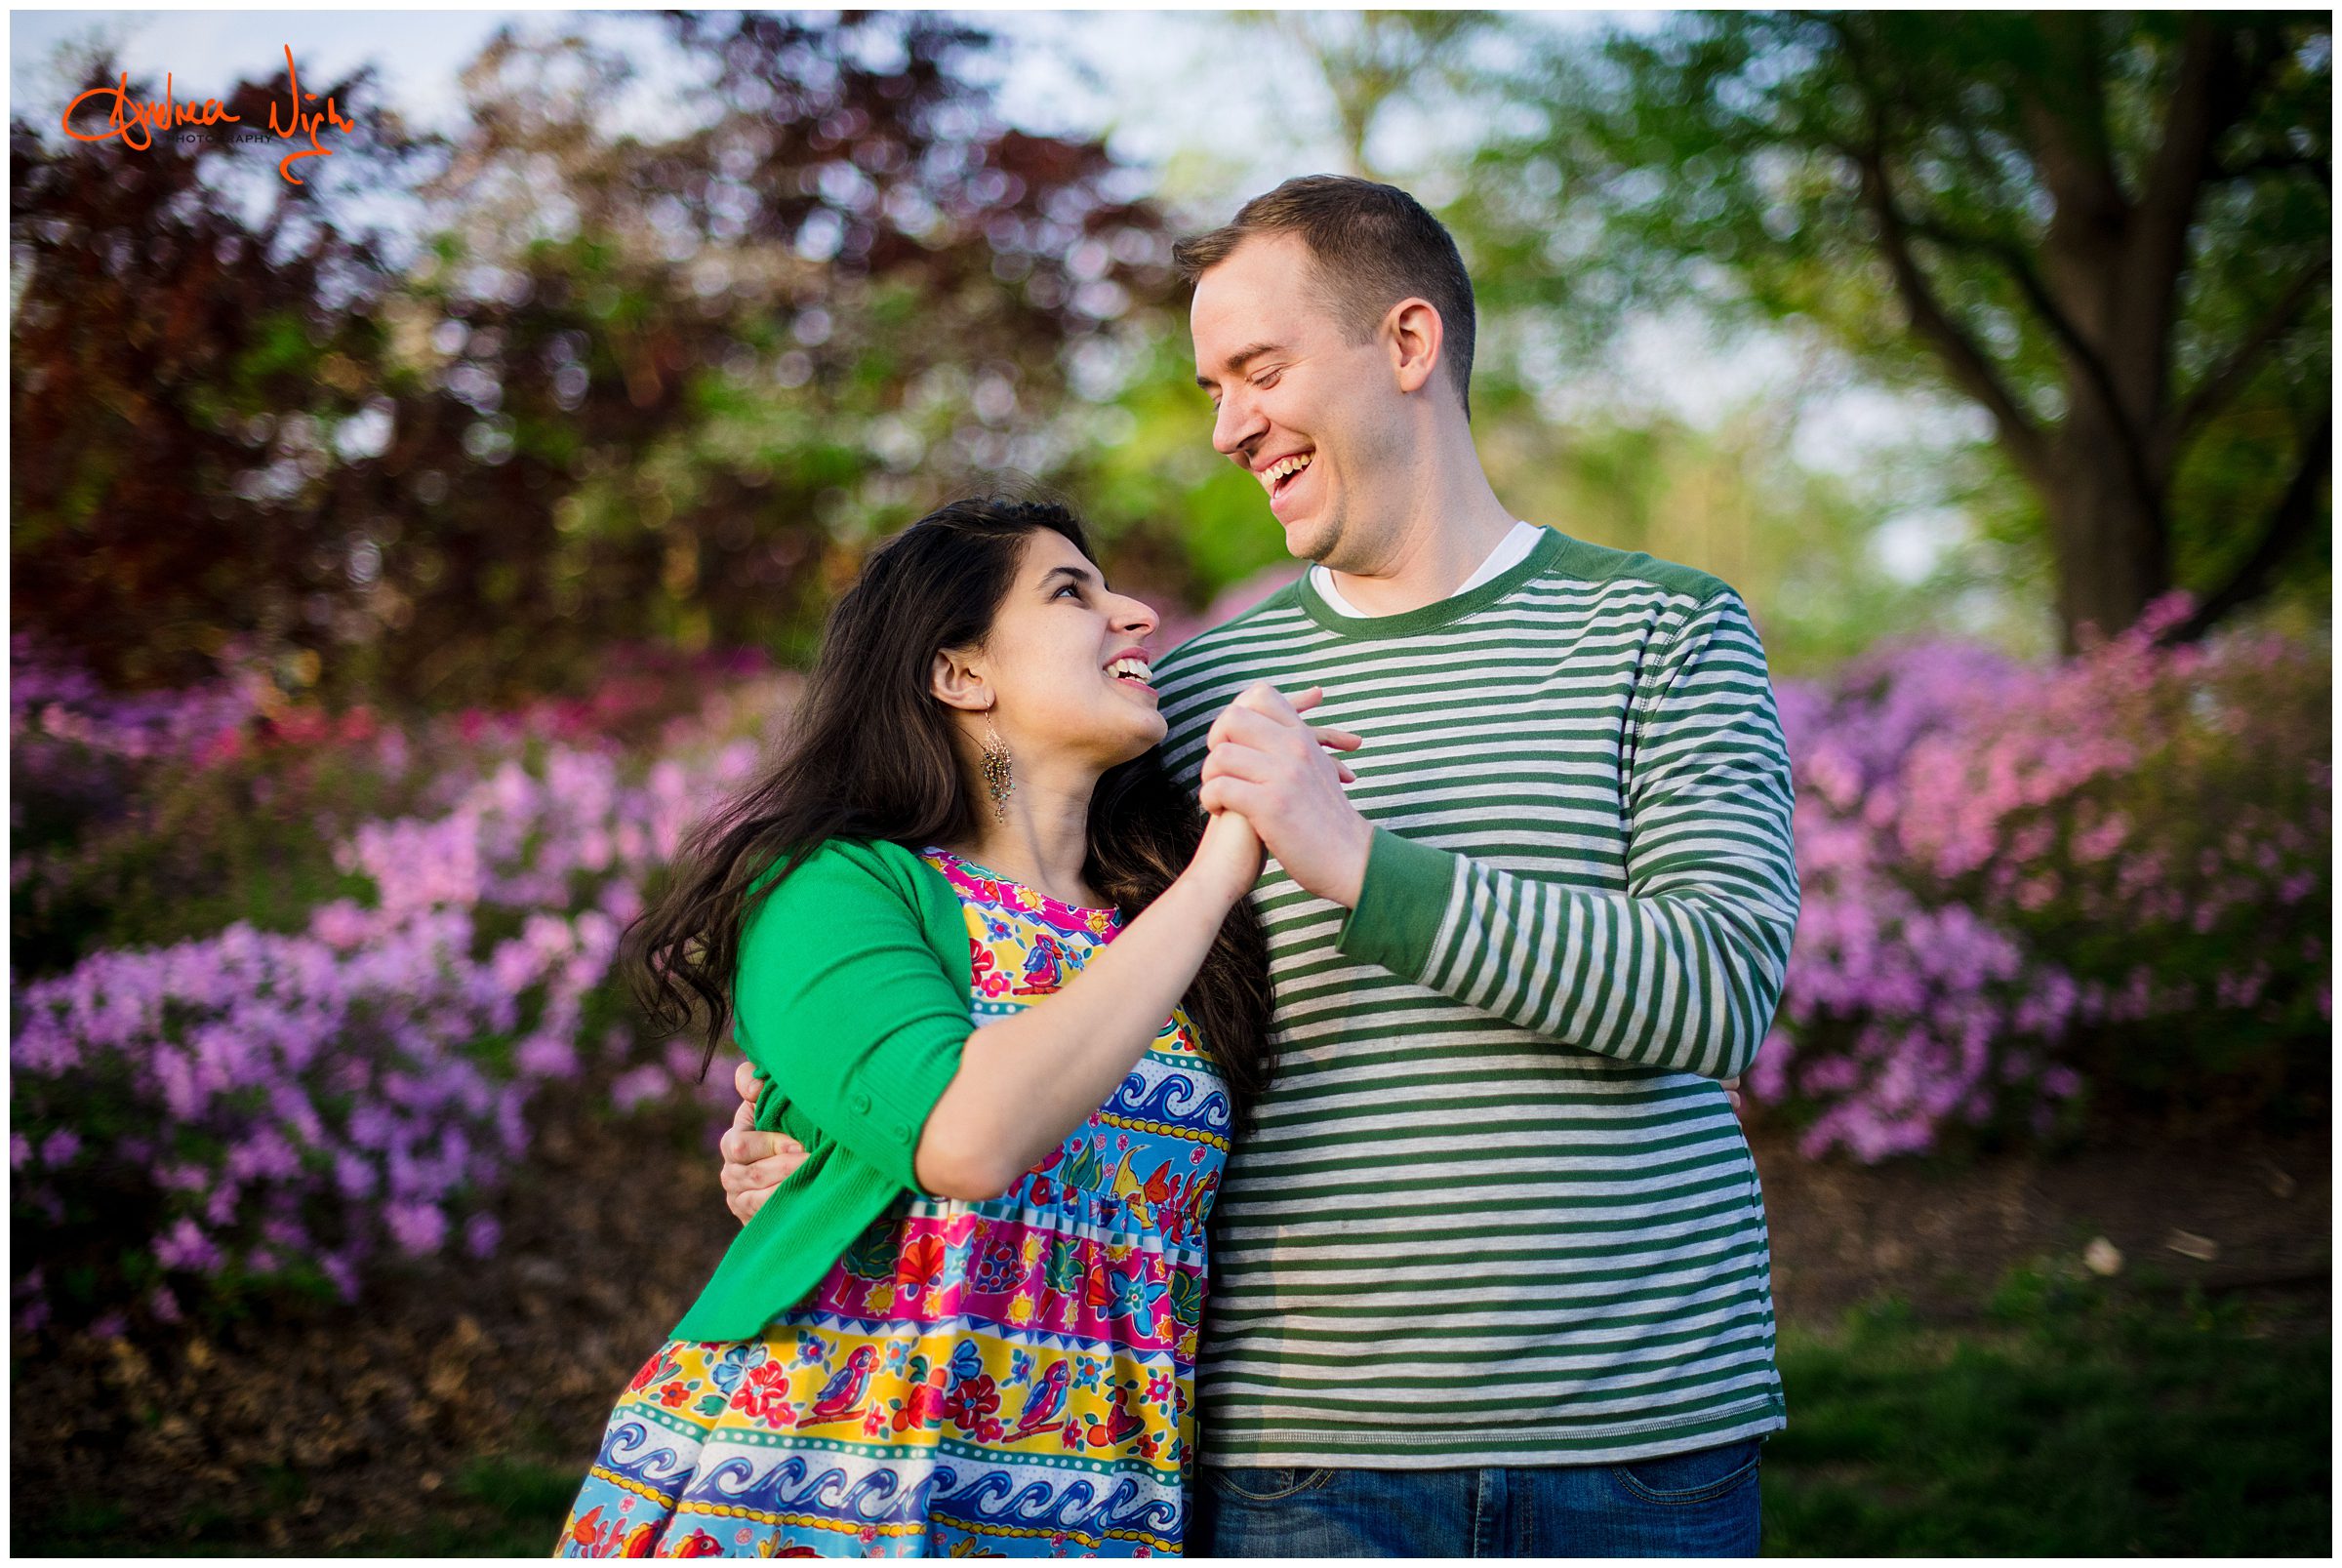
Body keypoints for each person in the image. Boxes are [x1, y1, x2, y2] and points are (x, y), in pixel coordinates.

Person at [721, 177, 1801, 1557]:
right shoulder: (1192, 699)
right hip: (1303, 1455)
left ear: (1408, 345)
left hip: (1642, 1439)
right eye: (1211, 386)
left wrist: (1355, 861)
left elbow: (1717, 994)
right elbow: (1037, 980)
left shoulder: (1665, 631)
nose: (1230, 426)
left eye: (1259, 370)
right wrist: (836, 1139)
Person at [557, 497, 1343, 1557]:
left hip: (1090, 1507)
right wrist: (1216, 876)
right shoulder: (834, 889)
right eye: (1074, 592)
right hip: (814, 1486)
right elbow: (963, 1136)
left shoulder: (1161, 932)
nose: (1138, 613)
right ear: (959, 673)